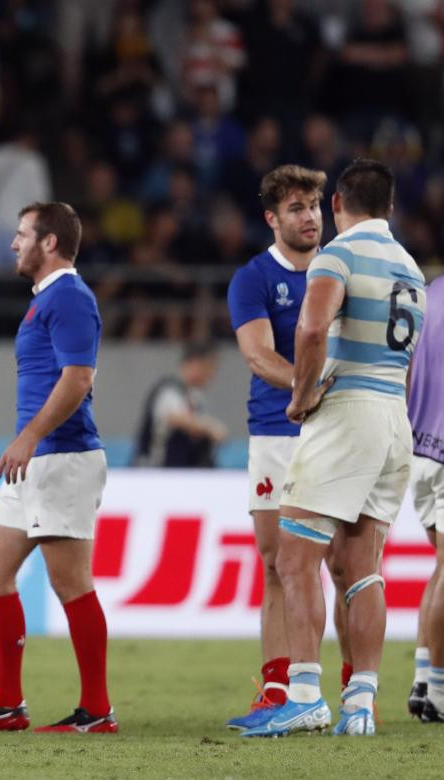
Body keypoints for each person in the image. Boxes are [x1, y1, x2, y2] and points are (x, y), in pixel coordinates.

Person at [243, 159, 427, 738]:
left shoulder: (338, 255)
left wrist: (301, 395)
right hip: (394, 418)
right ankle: (362, 703)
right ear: (391, 208)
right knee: (362, 567)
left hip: (347, 415)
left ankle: (303, 693)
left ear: (339, 203)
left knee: (295, 560)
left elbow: (313, 328)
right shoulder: (411, 267)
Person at [0, 202, 114, 735]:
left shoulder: (69, 297)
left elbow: (79, 377)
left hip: (62, 458)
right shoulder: (48, 299)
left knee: (71, 584)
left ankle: (96, 711)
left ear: (50, 243)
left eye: (22, 235)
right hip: (39, 461)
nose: (13, 244)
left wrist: (30, 436)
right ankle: (8, 703)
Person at [225, 165, 330, 730]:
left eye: (314, 206)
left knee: (341, 564)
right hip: (275, 435)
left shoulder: (341, 273)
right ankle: (275, 687)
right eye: (296, 208)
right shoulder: (254, 278)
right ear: (272, 218)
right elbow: (259, 357)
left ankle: (348, 690)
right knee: (275, 564)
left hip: (337, 434)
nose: (309, 217)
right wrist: (309, 389)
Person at [405, 275, 444, 721]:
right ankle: (438, 689)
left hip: (418, 447)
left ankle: (422, 678)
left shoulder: (427, 292)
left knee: (442, 568)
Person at [133, 341, 226, 467]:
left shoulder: (195, 397)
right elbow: (175, 417)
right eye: (208, 367)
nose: (211, 375)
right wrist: (209, 427)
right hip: (156, 473)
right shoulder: (169, 390)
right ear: (193, 363)